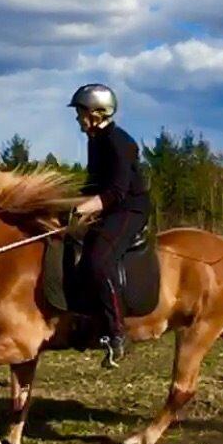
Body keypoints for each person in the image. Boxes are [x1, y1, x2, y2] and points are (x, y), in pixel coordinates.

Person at [68, 84, 151, 368]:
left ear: (96, 113)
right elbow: (94, 184)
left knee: (99, 261)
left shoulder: (119, 142)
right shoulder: (95, 139)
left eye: (80, 113)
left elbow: (116, 191)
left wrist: (83, 208)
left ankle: (117, 333)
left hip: (130, 209)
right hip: (109, 207)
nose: (77, 118)